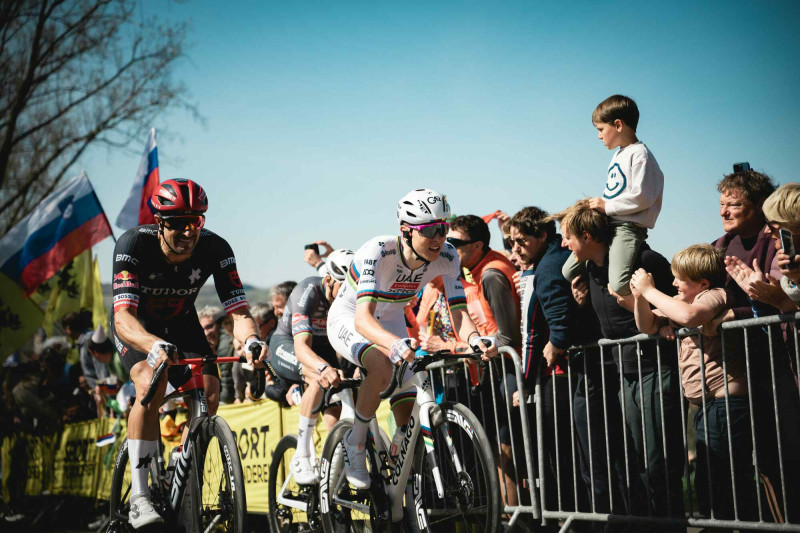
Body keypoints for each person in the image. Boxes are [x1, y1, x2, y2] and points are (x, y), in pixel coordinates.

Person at [110, 178, 267, 529]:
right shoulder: (133, 244)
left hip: (181, 322)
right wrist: (151, 345)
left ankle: (183, 464)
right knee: (152, 381)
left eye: (195, 221)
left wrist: (252, 341)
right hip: (138, 326)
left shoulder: (216, 248)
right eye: (178, 222)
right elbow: (122, 316)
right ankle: (139, 495)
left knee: (210, 392)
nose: (187, 231)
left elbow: (238, 312)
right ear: (159, 222)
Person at [326, 188, 497, 491]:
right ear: (405, 231)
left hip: (391, 317)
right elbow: (363, 319)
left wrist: (474, 340)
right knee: (380, 365)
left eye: (443, 228)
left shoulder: (447, 256)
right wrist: (392, 345)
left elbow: (459, 312)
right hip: (351, 317)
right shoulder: (378, 252)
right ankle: (355, 444)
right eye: (429, 230)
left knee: (407, 407)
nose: (438, 238)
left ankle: (396, 462)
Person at [553, 198, 684, 521]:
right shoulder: (592, 273)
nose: (562, 243)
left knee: (659, 465)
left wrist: (667, 322)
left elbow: (679, 303)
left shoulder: (643, 261)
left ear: (586, 236)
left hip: (654, 368)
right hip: (625, 373)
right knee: (639, 464)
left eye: (567, 236)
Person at [630, 244, 754, 520]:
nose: (673, 283)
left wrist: (651, 291)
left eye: (679, 279)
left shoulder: (716, 295)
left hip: (727, 404)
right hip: (708, 407)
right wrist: (640, 298)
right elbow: (646, 325)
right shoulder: (684, 302)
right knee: (710, 481)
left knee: (725, 481)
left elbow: (689, 317)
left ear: (703, 283)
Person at [562, 94, 664, 300]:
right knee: (568, 272)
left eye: (600, 129)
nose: (599, 136)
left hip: (627, 227)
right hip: (608, 222)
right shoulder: (618, 154)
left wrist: (607, 206)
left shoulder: (640, 154)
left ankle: (650, 311)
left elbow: (643, 197)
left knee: (618, 283)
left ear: (618, 125)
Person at [268, 249, 355, 484]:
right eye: (344, 288)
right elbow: (301, 347)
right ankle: (302, 454)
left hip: (322, 345)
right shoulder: (307, 292)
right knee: (318, 376)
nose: (349, 294)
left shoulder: (350, 296)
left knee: (336, 405)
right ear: (328, 280)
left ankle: (333, 462)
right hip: (288, 344)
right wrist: (322, 368)